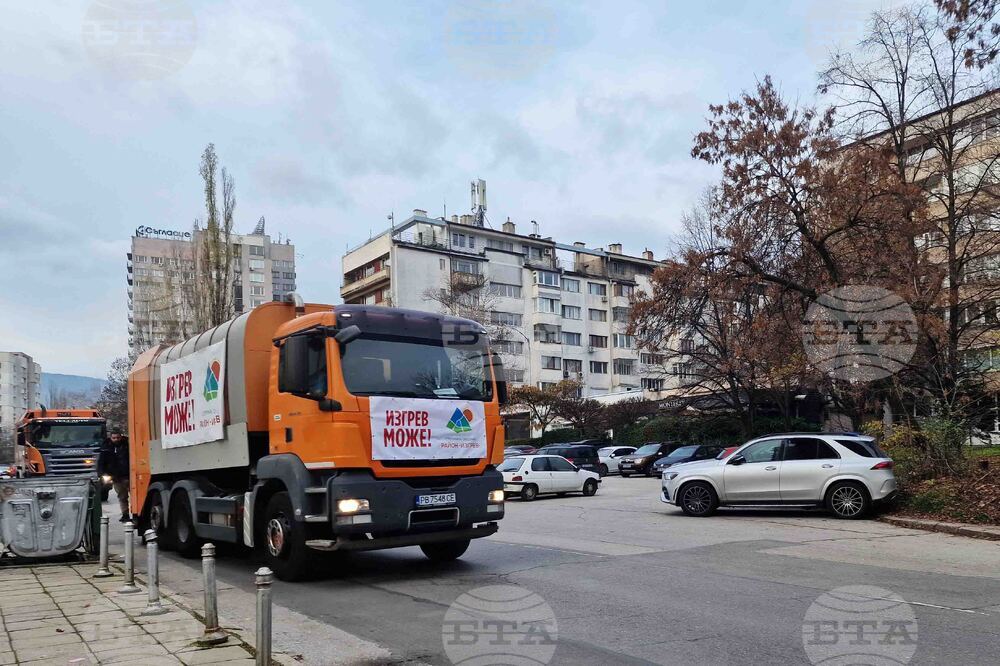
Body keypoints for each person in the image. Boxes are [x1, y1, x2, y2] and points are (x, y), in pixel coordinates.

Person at [100, 428, 131, 522]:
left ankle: (134, 513)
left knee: (133, 495)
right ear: (111, 437)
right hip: (117, 477)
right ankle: (125, 514)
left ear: (121, 436)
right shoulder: (106, 447)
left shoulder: (127, 445)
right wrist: (103, 474)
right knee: (122, 496)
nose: (116, 439)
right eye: (114, 438)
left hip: (128, 475)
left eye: (118, 437)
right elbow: (102, 462)